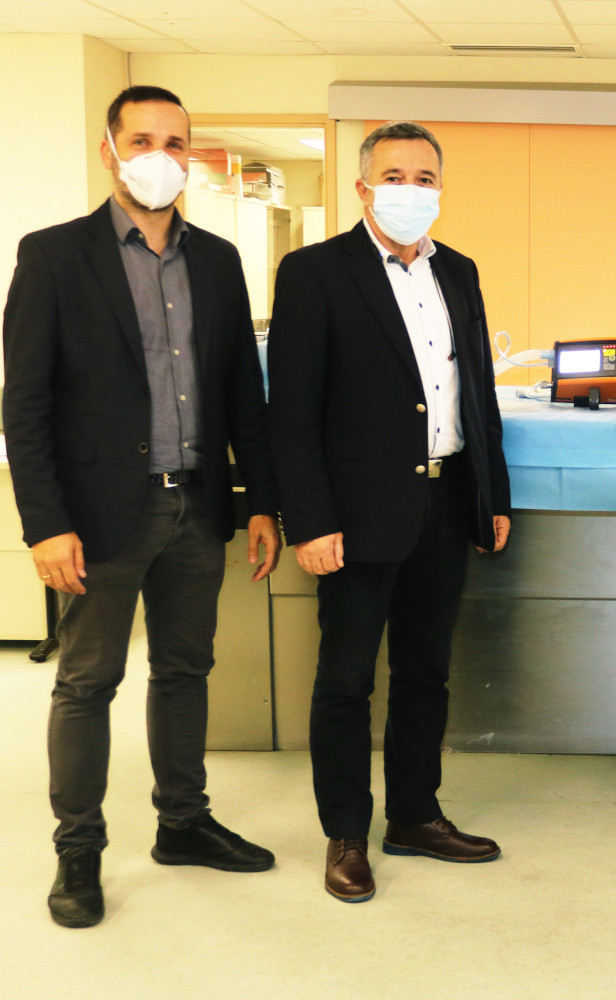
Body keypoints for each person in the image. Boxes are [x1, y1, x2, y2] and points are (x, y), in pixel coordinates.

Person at [2, 86, 281, 929]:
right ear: (110, 152)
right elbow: (25, 404)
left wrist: (261, 502)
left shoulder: (218, 261)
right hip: (97, 517)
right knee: (88, 682)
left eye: (176, 143)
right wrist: (45, 524)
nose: (161, 156)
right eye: (142, 140)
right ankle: (78, 851)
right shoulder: (54, 255)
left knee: (185, 670)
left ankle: (182, 823)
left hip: (197, 505)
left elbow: (243, 396)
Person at [269, 121, 511, 904]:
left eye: (425, 177)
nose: (411, 190)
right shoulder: (314, 272)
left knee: (425, 673)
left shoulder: (459, 271)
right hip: (355, 513)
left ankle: (414, 815)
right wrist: (310, 520)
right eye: (395, 176)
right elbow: (292, 413)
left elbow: (476, 392)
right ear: (364, 187)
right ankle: (346, 833)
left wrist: (493, 496)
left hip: (445, 499)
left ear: (440, 188)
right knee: (345, 680)